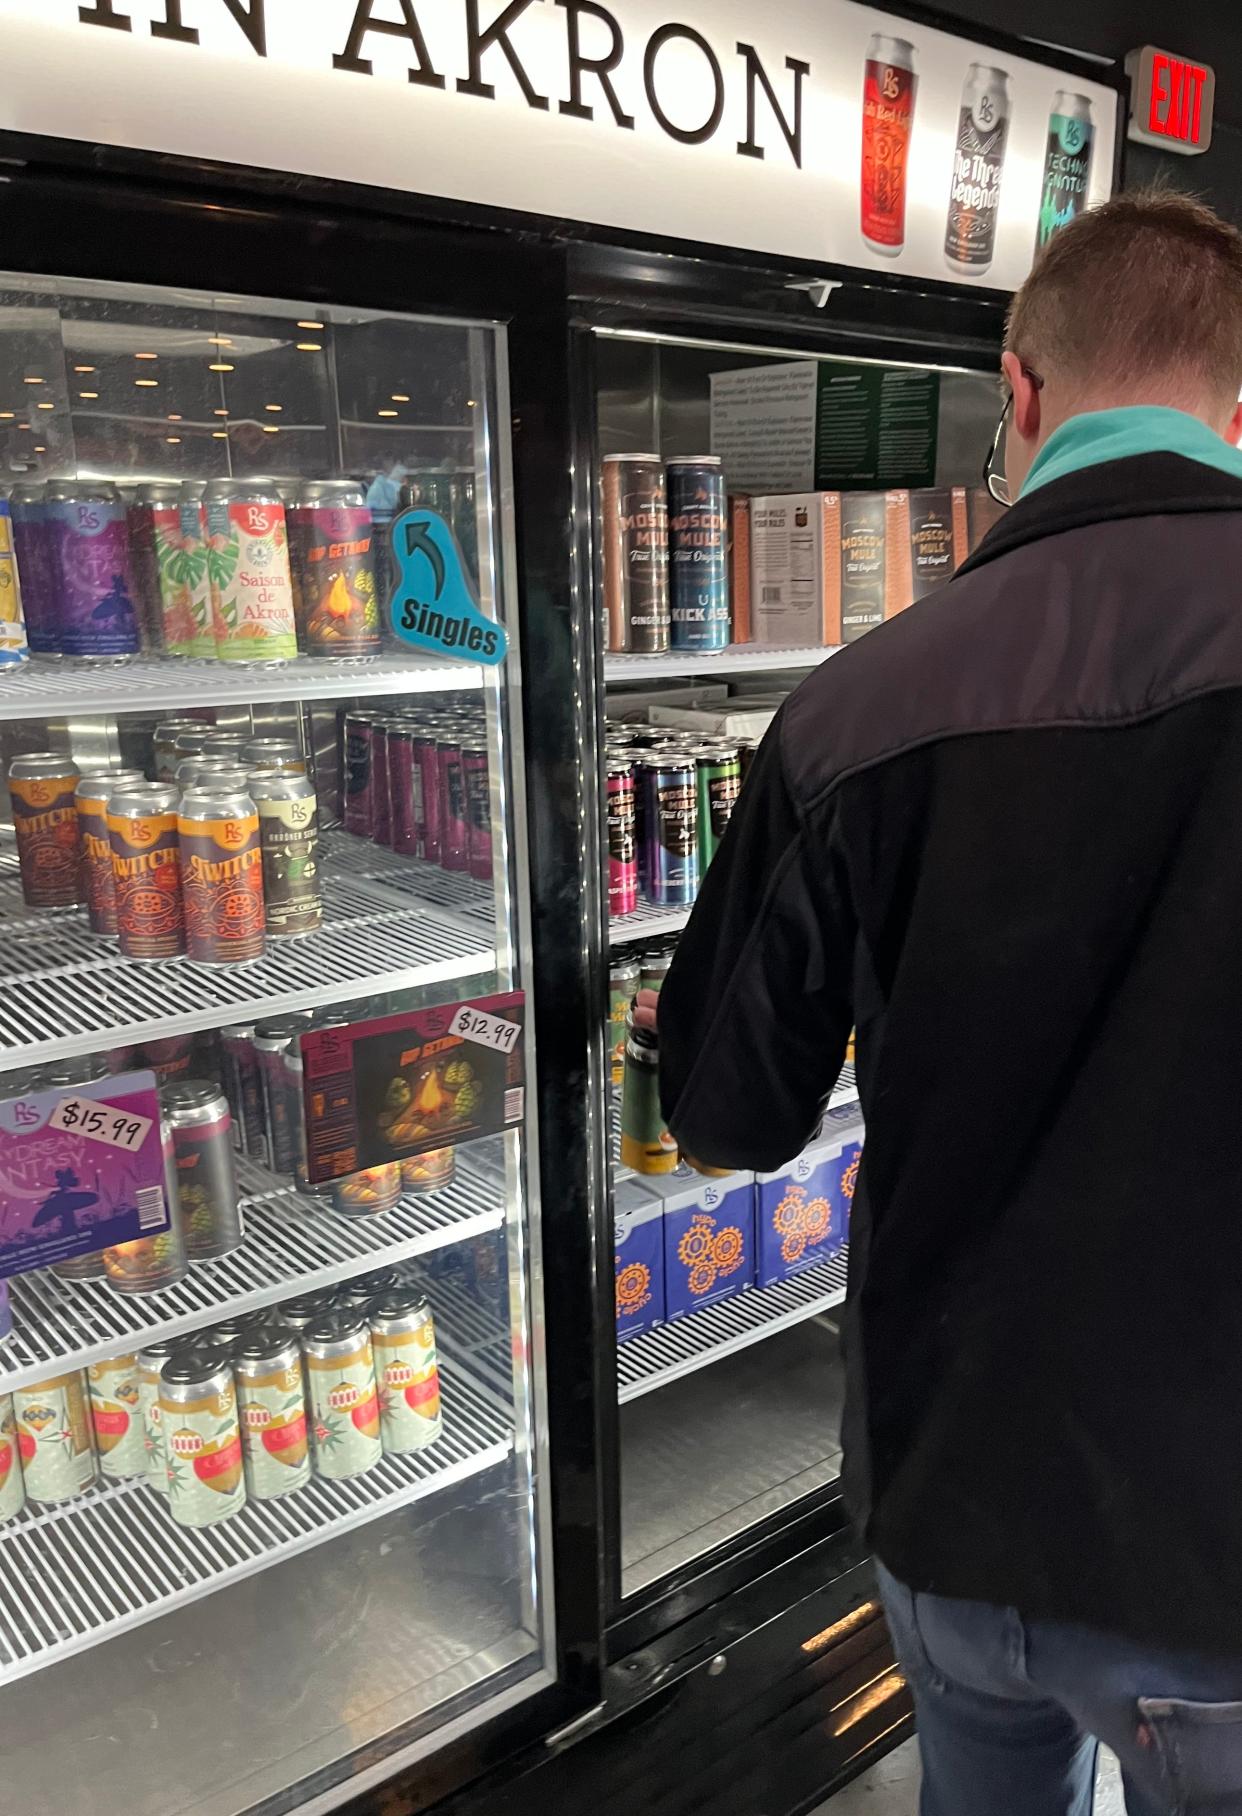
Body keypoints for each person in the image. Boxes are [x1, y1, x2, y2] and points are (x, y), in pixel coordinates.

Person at [651, 192, 1242, 1816]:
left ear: (1021, 395)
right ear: (1240, 409)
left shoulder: (854, 709)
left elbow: (721, 1112)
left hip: (953, 1499)